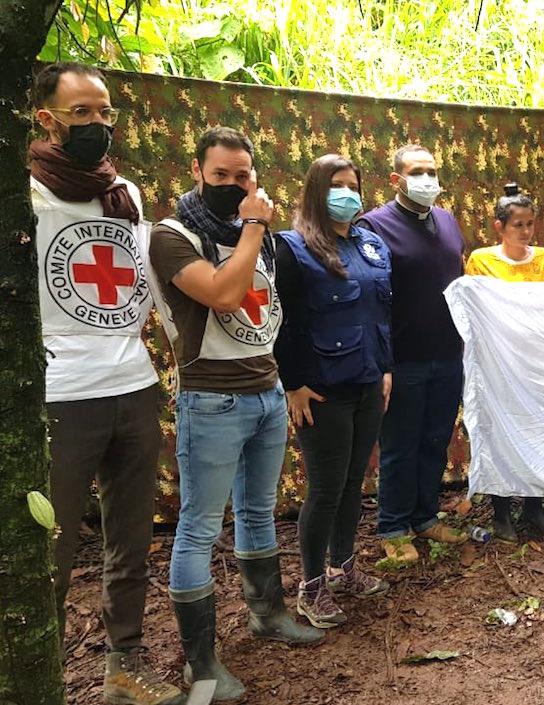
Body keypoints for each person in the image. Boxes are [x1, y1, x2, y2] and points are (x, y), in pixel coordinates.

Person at [149, 126, 323, 701]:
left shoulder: (261, 237)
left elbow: (267, 306)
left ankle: (266, 615)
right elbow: (224, 294)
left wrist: (255, 230)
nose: (231, 184)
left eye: (241, 175)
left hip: (266, 392)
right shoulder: (173, 236)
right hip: (212, 398)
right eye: (219, 175)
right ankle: (201, 665)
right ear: (197, 172)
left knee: (257, 511)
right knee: (199, 527)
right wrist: (252, 223)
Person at [30, 62, 183, 705]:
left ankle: (125, 667)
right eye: (81, 113)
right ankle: (39, 679)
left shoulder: (124, 195)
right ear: (46, 120)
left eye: (104, 113)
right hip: (59, 394)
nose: (97, 125)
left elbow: (142, 282)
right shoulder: (22, 193)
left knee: (130, 538)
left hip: (131, 384)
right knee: (50, 552)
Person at [273, 154, 391, 630]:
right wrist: (293, 383)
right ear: (315, 191)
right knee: (324, 488)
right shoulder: (292, 247)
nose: (347, 193)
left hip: (367, 380)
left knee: (351, 483)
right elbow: (280, 321)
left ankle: (343, 566)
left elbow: (383, 314)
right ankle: (311, 585)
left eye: (353, 184)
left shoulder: (370, 244)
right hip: (320, 389)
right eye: (336, 185)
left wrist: (385, 369)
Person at [357, 144, 468, 563]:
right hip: (401, 359)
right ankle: (394, 527)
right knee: (400, 445)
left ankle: (424, 517)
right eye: (417, 171)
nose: (427, 179)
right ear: (396, 180)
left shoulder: (446, 219)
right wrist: (381, 362)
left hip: (447, 355)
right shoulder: (373, 225)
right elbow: (369, 296)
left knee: (435, 441)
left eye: (432, 171)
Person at [465, 183, 544, 541]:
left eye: (530, 224)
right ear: (499, 227)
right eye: (518, 224)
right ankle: (501, 513)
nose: (525, 231)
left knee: (537, 432)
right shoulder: (481, 260)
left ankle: (534, 509)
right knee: (499, 435)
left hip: (535, 363)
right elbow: (475, 311)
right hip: (498, 365)